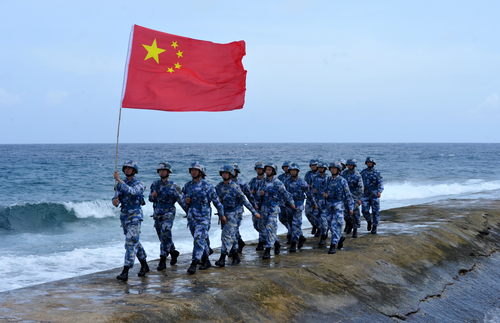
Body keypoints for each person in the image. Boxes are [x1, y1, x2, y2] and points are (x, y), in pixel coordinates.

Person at [183, 162, 225, 274]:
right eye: (192, 170)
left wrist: (222, 215)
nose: (193, 172)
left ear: (201, 172)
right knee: (201, 239)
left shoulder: (207, 186)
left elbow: (216, 202)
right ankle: (206, 260)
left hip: (203, 217)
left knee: (198, 238)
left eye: (195, 170)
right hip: (192, 217)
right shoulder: (187, 186)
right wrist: (186, 201)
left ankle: (194, 262)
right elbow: (183, 200)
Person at [215, 165, 260, 267]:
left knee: (225, 236)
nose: (224, 175)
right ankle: (236, 256)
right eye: (223, 173)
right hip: (223, 214)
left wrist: (254, 212)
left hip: (233, 214)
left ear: (230, 174)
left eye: (226, 173)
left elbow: (244, 200)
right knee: (232, 235)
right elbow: (213, 198)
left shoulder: (235, 187)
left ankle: (222, 258)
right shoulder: (218, 187)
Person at [112, 160, 148, 282]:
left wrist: (119, 181)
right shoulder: (120, 185)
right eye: (125, 168)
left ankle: (126, 270)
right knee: (134, 241)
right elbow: (116, 199)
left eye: (130, 168)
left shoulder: (140, 183)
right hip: (125, 217)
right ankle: (144, 264)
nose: (127, 170)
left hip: (135, 216)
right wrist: (115, 201)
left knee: (130, 243)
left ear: (134, 170)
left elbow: (133, 192)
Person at [148, 162, 187, 271]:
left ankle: (162, 259)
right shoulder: (155, 184)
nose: (162, 172)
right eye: (160, 170)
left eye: (164, 170)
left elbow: (181, 201)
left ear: (168, 172)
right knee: (162, 236)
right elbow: (150, 199)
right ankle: (173, 252)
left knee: (165, 231)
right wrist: (152, 196)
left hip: (169, 212)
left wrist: (189, 213)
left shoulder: (174, 186)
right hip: (157, 212)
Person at [259, 162, 295, 259]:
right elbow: (259, 195)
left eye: (270, 170)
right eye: (266, 170)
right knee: (263, 228)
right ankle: (276, 243)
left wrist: (291, 203)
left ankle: (267, 249)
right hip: (264, 208)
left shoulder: (278, 182)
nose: (268, 171)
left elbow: (285, 194)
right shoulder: (262, 182)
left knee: (270, 227)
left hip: (273, 208)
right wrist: (260, 195)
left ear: (273, 171)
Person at [284, 162, 317, 252]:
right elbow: (283, 193)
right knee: (291, 224)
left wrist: (314, 203)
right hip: (289, 206)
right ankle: (301, 237)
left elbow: (309, 194)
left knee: (296, 224)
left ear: (297, 171)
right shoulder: (286, 181)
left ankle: (294, 243)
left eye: (294, 171)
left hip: (298, 205)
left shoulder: (302, 182)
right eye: (291, 171)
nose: (293, 172)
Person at [323, 161, 354, 254]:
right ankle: (340, 238)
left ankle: (333, 245)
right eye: (331, 168)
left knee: (334, 224)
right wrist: (324, 194)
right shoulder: (328, 179)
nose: (333, 170)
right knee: (329, 225)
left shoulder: (342, 180)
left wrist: (351, 208)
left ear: (338, 170)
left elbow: (348, 195)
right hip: (329, 205)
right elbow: (325, 190)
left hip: (338, 205)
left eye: (335, 168)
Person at [231, 163, 256, 254]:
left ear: (237, 172)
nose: (232, 172)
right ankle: (239, 242)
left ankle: (235, 248)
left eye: (234, 171)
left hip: (238, 209)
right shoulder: (225, 183)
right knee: (232, 229)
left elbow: (249, 195)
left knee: (234, 228)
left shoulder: (241, 182)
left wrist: (254, 204)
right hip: (228, 210)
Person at [340, 159, 364, 238]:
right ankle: (349, 224)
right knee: (346, 214)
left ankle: (355, 229)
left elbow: (360, 187)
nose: (349, 166)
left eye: (351, 165)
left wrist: (359, 198)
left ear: (354, 166)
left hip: (354, 197)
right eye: (348, 165)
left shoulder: (357, 175)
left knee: (355, 214)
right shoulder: (344, 173)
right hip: (345, 197)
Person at [360, 157, 384, 234]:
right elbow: (359, 182)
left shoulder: (377, 173)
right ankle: (369, 221)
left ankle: (375, 226)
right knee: (364, 210)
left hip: (374, 195)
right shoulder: (363, 172)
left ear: (373, 164)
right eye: (368, 162)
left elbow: (380, 183)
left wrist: (379, 191)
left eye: (371, 163)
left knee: (375, 212)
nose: (369, 164)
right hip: (365, 194)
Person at [248, 161, 266, 250]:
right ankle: (265, 237)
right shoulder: (253, 181)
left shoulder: (266, 181)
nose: (259, 170)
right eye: (258, 169)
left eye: (261, 169)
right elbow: (247, 191)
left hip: (264, 206)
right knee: (255, 225)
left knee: (261, 224)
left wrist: (264, 194)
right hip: (255, 206)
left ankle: (261, 242)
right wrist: (250, 193)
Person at [310, 161, 329, 245]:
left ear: (325, 169)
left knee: (323, 219)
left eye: (322, 168)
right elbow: (312, 190)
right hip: (317, 201)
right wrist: (313, 202)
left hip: (325, 202)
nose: (320, 169)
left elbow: (332, 190)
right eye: (319, 168)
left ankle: (323, 236)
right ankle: (322, 230)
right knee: (316, 218)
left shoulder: (328, 178)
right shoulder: (315, 178)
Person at [277, 161, 292, 241]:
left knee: (290, 218)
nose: (286, 168)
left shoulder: (293, 176)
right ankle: (290, 230)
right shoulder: (280, 177)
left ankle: (291, 233)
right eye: (285, 167)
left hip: (290, 202)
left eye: (288, 167)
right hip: (281, 202)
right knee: (282, 218)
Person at [304, 159, 319, 235]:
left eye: (315, 165)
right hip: (310, 196)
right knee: (307, 212)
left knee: (317, 214)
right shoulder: (308, 174)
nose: (313, 167)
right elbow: (305, 184)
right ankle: (314, 225)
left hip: (319, 198)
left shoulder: (321, 174)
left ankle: (319, 228)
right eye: (312, 165)